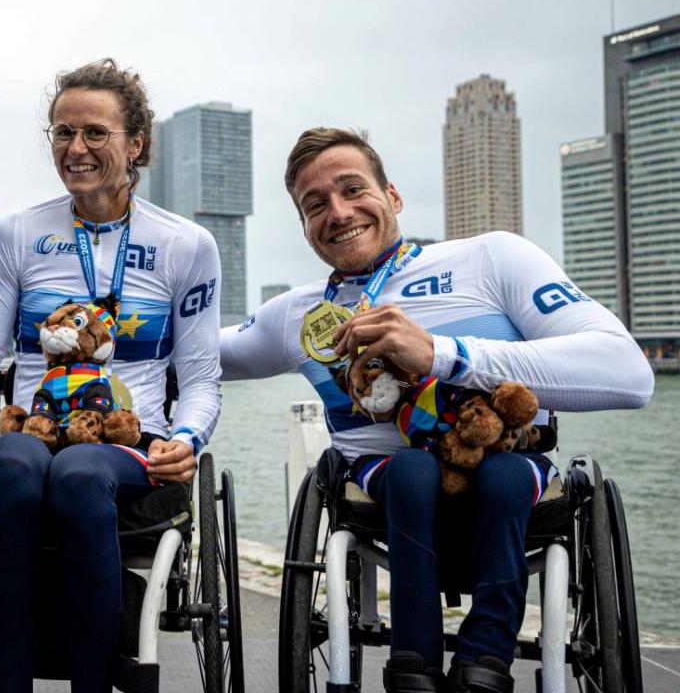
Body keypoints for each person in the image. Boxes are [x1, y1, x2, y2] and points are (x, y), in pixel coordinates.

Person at [220, 128, 654, 692]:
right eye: (315, 205)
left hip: (507, 470)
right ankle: (412, 666)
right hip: (386, 490)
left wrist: (441, 354)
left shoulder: (493, 257)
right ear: (305, 227)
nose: (338, 211)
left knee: (500, 476)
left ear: (393, 197)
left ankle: (485, 663)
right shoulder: (296, 314)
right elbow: (191, 351)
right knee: (412, 470)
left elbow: (628, 371)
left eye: (353, 189)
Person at [0, 59, 222, 693]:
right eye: (62, 132)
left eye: (95, 133)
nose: (76, 148)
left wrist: (186, 440)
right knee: (14, 464)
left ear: (136, 143)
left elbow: (199, 376)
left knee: (82, 472)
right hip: (34, 426)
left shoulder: (187, 245)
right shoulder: (16, 235)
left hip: (128, 440)